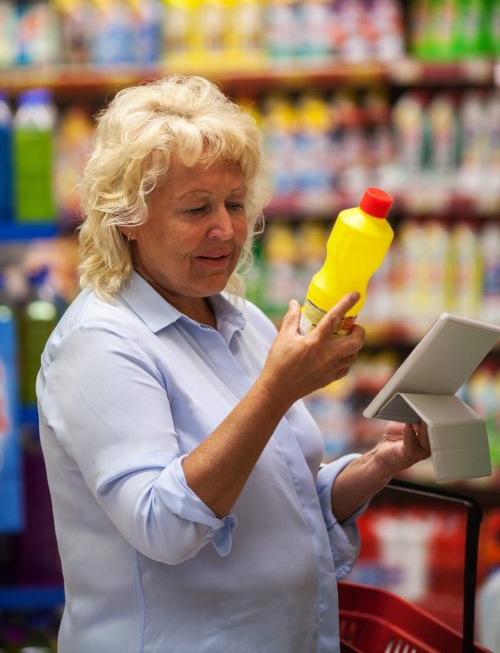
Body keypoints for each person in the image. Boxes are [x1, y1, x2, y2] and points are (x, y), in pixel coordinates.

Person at [37, 74, 430, 653]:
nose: (225, 228)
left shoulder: (241, 320)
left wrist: (380, 463)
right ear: (128, 219)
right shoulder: (99, 343)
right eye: (196, 208)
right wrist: (275, 390)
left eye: (235, 203)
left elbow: (284, 502)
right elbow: (164, 525)